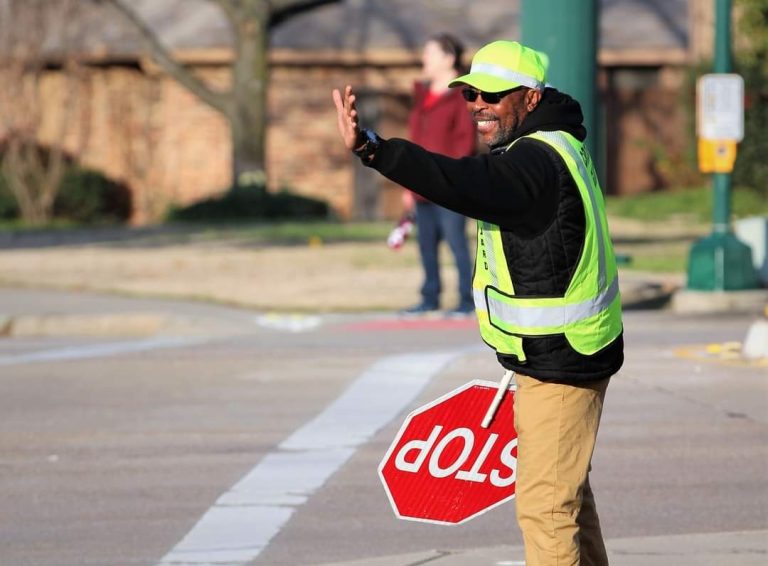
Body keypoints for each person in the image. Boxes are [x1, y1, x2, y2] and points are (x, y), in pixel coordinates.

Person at [333, 40, 623, 566]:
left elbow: (459, 181)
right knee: (567, 501)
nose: (477, 104)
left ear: (531, 99)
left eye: (492, 93)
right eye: (470, 93)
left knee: (545, 510)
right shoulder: (554, 145)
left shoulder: (535, 161)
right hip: (557, 354)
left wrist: (374, 149)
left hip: (561, 362)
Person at [401, 33, 476, 316]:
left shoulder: (463, 95)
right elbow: (414, 141)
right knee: (426, 246)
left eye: (429, 53)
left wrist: (447, 177)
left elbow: (464, 143)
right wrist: (408, 182)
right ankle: (429, 296)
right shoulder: (422, 96)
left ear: (449, 58)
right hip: (421, 186)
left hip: (450, 185)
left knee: (457, 244)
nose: (424, 59)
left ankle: (466, 301)